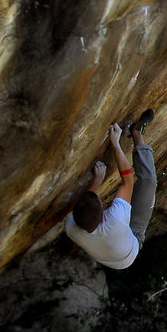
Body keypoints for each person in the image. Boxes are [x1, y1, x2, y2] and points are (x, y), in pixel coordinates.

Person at [65, 109, 156, 269]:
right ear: (103, 214)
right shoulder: (114, 219)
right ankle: (136, 132)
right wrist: (115, 143)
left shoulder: (71, 226)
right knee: (148, 181)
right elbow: (128, 181)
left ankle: (136, 131)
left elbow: (86, 203)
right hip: (131, 243)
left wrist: (97, 181)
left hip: (112, 251)